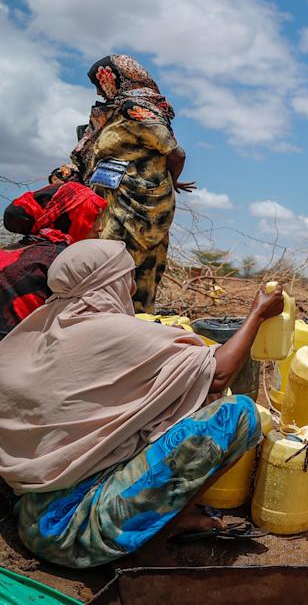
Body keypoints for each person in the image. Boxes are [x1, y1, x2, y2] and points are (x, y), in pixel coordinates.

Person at [0, 240, 284, 568]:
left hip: (35, 519)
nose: (133, 285)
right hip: (77, 531)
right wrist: (258, 313)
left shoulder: (42, 327)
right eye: (127, 276)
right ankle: (156, 538)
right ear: (109, 281)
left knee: (167, 403)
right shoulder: (108, 330)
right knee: (239, 415)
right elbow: (218, 373)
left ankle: (170, 518)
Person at [50, 55, 194, 312]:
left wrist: (175, 180)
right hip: (118, 201)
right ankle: (124, 325)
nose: (98, 91)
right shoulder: (120, 110)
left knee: (118, 264)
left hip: (136, 205)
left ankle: (119, 327)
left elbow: (175, 153)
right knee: (122, 265)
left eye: (100, 83)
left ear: (113, 79)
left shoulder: (134, 108)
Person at [1, 182, 107, 339]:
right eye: (92, 217)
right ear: (67, 218)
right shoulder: (65, 259)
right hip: (20, 355)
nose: (100, 227)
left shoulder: (12, 250)